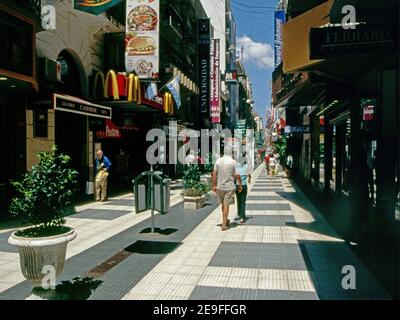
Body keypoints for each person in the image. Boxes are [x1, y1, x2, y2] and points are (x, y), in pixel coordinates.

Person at [212, 146, 242, 231]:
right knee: (226, 205)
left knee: (223, 204)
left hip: (219, 187)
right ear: (231, 152)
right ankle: (224, 225)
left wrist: (214, 185)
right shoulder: (233, 162)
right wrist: (240, 185)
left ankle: (225, 220)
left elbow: (214, 173)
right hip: (229, 187)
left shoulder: (218, 161)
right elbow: (237, 175)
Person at [235, 154, 251, 224]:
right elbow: (249, 175)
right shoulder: (247, 166)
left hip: (237, 186)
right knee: (243, 202)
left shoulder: (236, 167)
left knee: (238, 200)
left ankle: (238, 213)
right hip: (244, 186)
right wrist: (249, 179)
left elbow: (235, 175)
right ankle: (242, 217)